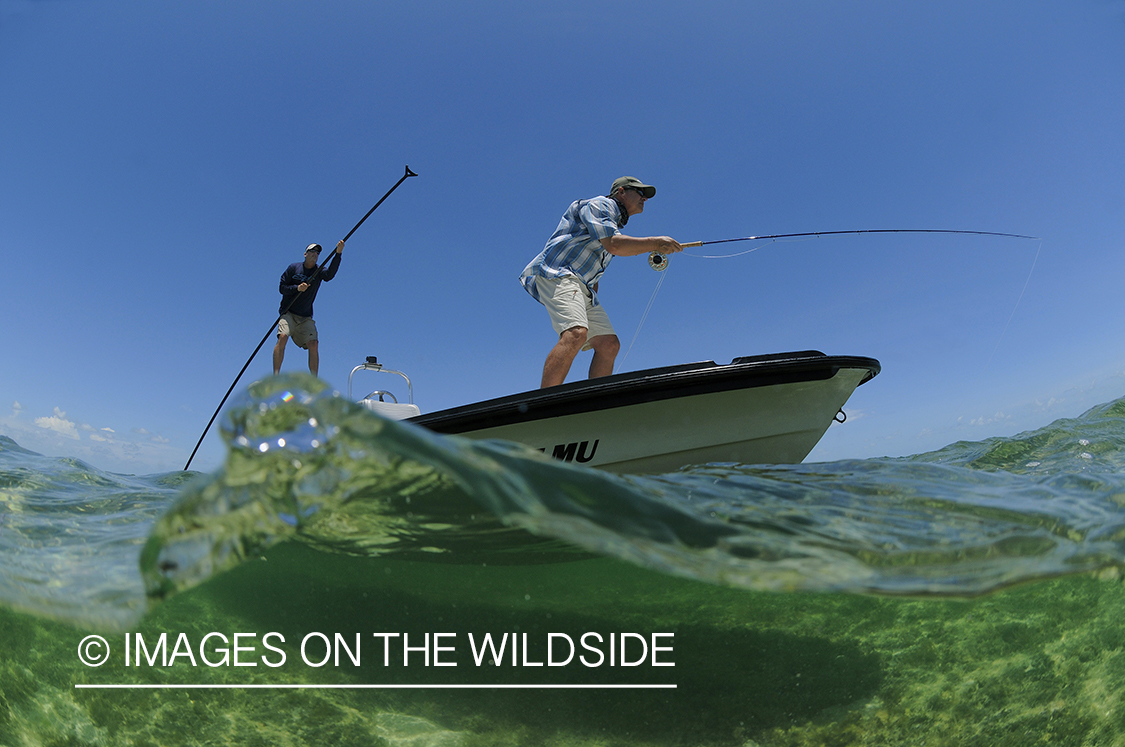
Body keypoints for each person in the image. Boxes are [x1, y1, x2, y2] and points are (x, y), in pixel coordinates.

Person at [519, 176, 682, 388]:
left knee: (608, 345)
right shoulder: (602, 204)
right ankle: (544, 402)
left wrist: (592, 291)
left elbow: (598, 266)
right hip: (559, 274)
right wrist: (656, 243)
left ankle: (596, 401)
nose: (644, 199)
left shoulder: (612, 224)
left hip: (582, 286)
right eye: (639, 193)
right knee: (575, 333)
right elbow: (615, 245)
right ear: (621, 192)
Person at [273, 239, 344, 376]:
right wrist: (297, 288)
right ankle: (276, 376)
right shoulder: (293, 268)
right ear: (305, 254)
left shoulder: (319, 271)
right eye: (312, 251)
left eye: (317, 253)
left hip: (305, 317)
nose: (315, 254)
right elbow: (282, 288)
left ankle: (314, 381)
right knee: (282, 336)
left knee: (313, 343)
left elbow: (329, 275)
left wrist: (338, 254)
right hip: (288, 313)